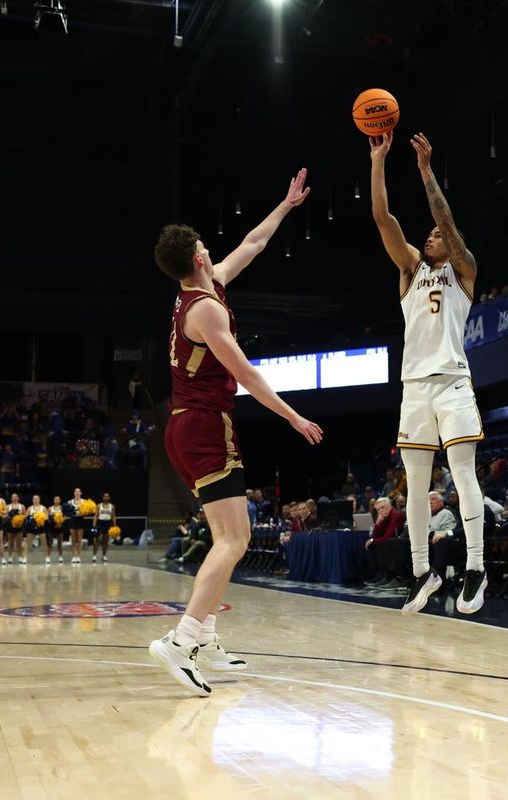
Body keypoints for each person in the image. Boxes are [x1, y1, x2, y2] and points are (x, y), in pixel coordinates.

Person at [147, 171, 322, 698]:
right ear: (198, 257)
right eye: (203, 245)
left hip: (190, 425)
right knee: (233, 539)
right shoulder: (204, 310)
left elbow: (253, 242)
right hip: (202, 426)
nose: (210, 248)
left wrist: (286, 204)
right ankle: (181, 642)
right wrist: (292, 416)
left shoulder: (200, 288)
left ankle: (204, 638)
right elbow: (245, 375)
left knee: (234, 539)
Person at [370, 130, 489, 616]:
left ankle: (477, 567)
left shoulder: (464, 268)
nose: (431, 234)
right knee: (415, 487)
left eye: (437, 234)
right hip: (414, 387)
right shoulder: (410, 269)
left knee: (462, 474)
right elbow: (382, 218)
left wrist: (423, 171)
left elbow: (446, 218)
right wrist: (379, 160)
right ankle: (423, 571)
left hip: (453, 381)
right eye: (430, 234)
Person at [92, 492, 116, 564]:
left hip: (107, 523)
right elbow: (96, 515)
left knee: (106, 540)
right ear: (103, 498)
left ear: (109, 498)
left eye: (107, 496)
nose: (106, 498)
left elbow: (113, 516)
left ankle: (104, 555)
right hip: (100, 523)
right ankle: (94, 555)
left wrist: (115, 526)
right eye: (105, 496)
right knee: (98, 539)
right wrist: (94, 525)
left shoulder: (112, 506)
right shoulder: (99, 506)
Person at [6, 492, 27, 565]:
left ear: (18, 498)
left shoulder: (22, 506)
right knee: (10, 542)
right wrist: (9, 518)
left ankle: (20, 556)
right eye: (13, 497)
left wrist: (19, 519)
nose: (14, 498)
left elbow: (25, 515)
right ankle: (10, 557)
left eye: (16, 497)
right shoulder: (8, 506)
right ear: (11, 499)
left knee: (19, 542)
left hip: (19, 526)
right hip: (10, 525)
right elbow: (5, 515)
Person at [47, 495, 66, 564]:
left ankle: (60, 557)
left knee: (60, 543)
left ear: (60, 501)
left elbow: (65, 517)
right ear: (53, 501)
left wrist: (60, 522)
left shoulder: (62, 508)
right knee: (50, 543)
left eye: (58, 499)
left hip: (60, 527)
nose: (57, 500)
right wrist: (52, 522)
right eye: (55, 499)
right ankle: (48, 557)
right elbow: (47, 517)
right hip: (51, 527)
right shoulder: (50, 508)